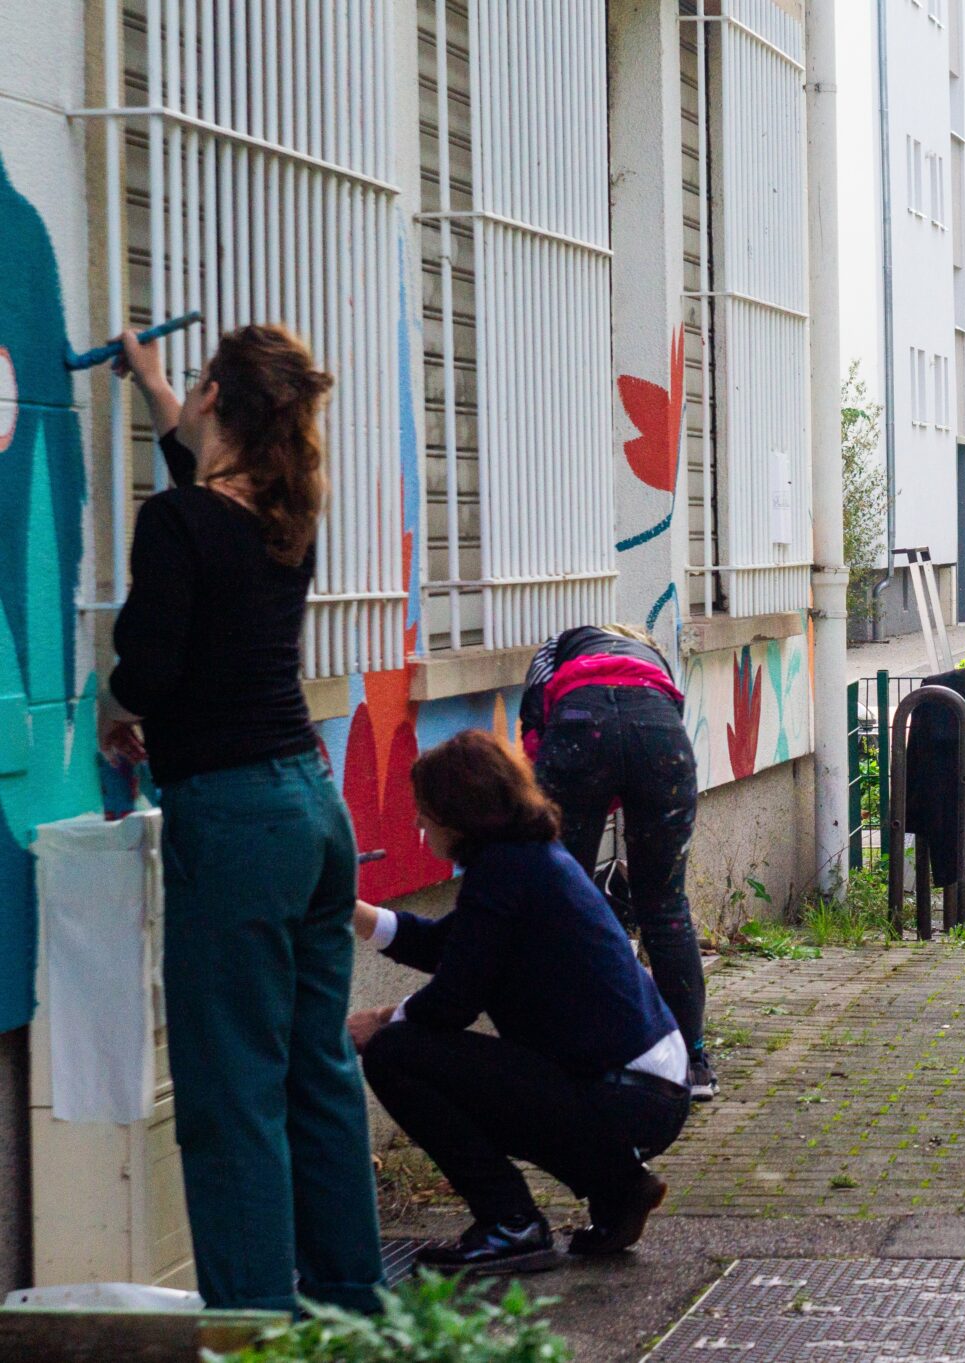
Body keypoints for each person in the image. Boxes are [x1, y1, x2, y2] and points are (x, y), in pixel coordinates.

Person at [99, 326, 383, 1313]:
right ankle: (350, 1307)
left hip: (234, 824)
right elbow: (197, 457)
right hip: (313, 811)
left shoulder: (178, 521)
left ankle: (255, 1330)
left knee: (231, 1096)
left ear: (218, 392)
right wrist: (150, 381)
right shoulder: (285, 511)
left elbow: (151, 665)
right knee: (316, 1074)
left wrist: (118, 704)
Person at [349, 730, 690, 1275]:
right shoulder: (527, 861)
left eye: (424, 811)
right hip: (647, 1088)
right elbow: (448, 946)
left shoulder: (505, 873)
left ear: (457, 814)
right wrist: (350, 908)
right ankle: (619, 1187)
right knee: (438, 1055)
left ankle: (510, 1222)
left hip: (626, 1095)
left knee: (395, 1053)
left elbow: (453, 1002)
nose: (419, 824)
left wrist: (381, 1021)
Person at [519, 624, 716, 1099]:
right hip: (659, 737)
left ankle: (561, 1057)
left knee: (560, 901)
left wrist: (578, 804)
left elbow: (533, 744)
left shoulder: (554, 649)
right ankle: (692, 1064)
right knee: (666, 908)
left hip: (580, 727)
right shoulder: (653, 662)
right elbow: (659, 733)